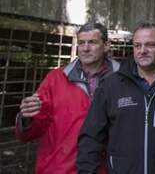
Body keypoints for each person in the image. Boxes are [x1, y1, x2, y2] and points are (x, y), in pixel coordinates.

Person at [77, 21, 155, 174]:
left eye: (150, 45)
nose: (142, 51)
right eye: (137, 45)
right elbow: (91, 137)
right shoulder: (112, 85)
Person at [15, 22, 119, 174]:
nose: (85, 48)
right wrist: (27, 118)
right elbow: (33, 130)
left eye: (92, 42)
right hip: (61, 167)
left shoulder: (123, 80)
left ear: (106, 45)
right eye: (81, 43)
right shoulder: (55, 78)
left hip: (108, 168)